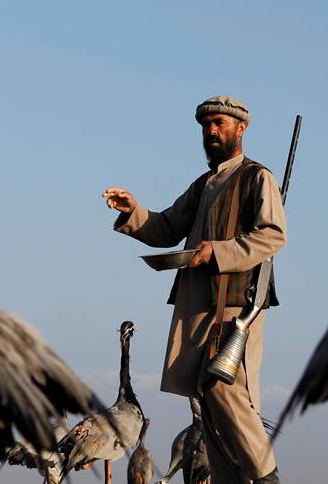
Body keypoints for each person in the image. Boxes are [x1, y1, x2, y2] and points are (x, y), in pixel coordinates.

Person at [103, 96, 287, 484]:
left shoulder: (257, 177)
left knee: (227, 393)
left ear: (241, 128)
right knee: (206, 401)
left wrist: (217, 252)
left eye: (219, 123)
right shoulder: (204, 184)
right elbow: (168, 227)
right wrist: (132, 212)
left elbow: (272, 235)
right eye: (207, 125)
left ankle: (268, 479)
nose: (212, 130)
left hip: (236, 307)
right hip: (199, 305)